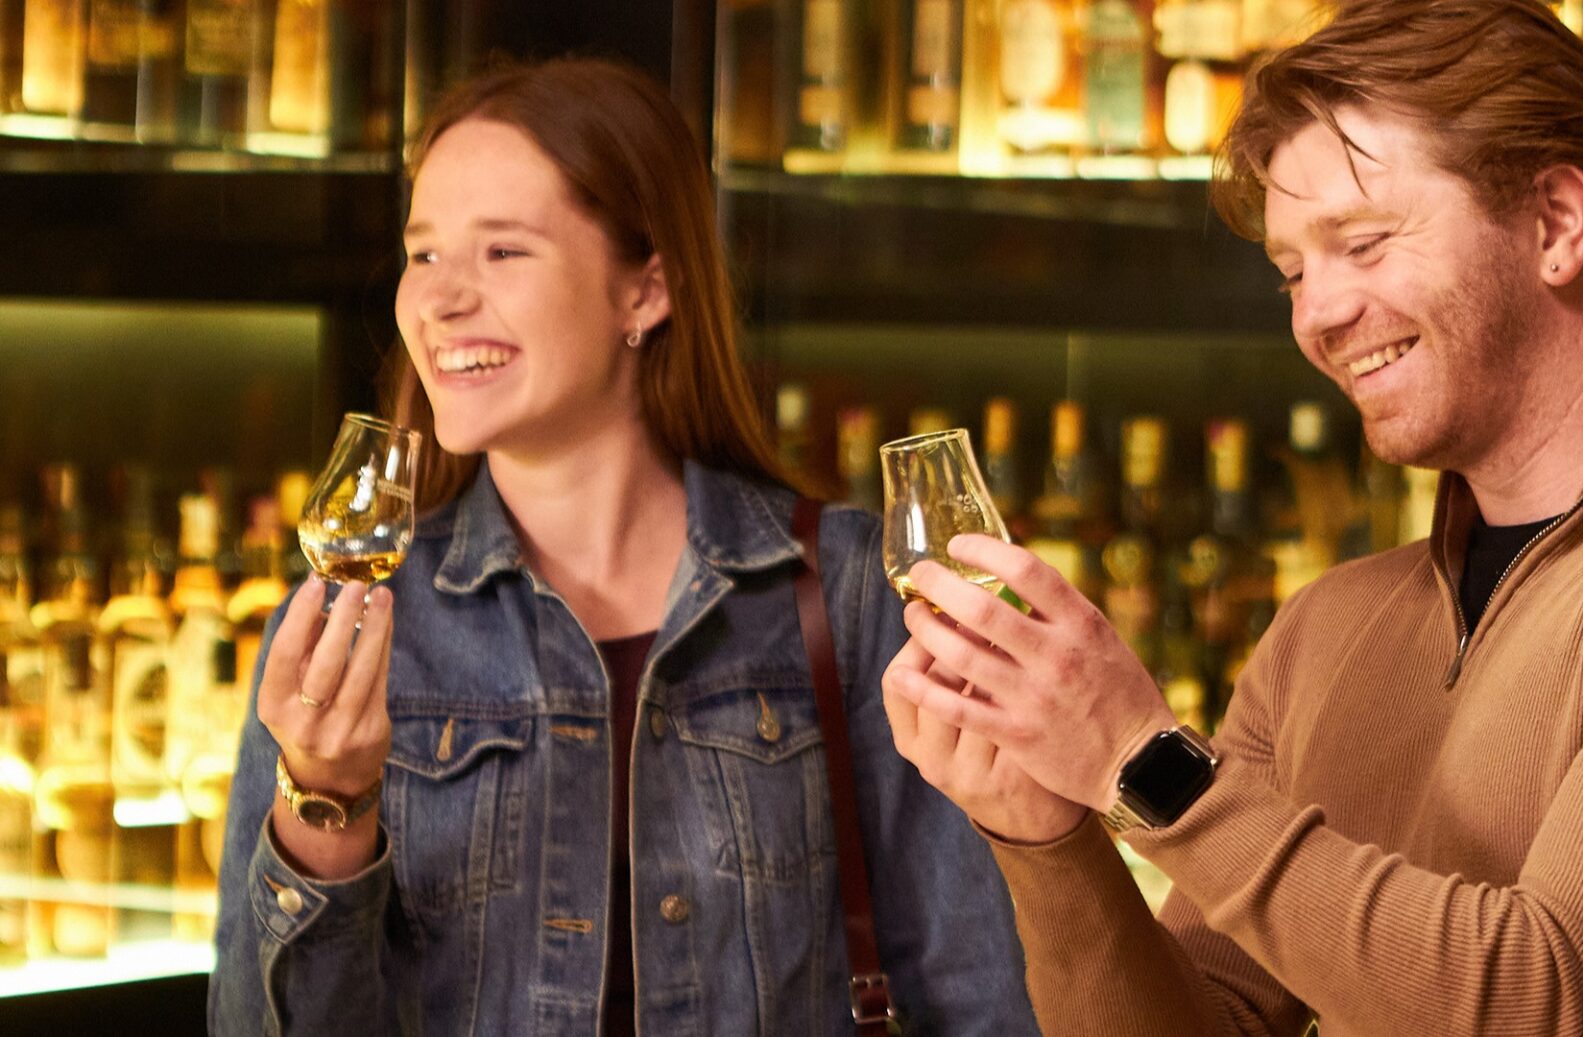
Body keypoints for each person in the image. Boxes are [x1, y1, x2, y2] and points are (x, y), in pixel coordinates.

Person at [880, 1, 1583, 1034]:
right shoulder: (1329, 627)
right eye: (1293, 271)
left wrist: (1144, 762)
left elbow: (1550, 1005)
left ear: (1556, 222)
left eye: (1364, 243)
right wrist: (1047, 833)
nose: (1317, 316)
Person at [209, 58, 1037, 1036]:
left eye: (503, 252)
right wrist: (325, 802)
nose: (438, 301)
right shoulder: (365, 623)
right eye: (423, 254)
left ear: (647, 288)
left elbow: (985, 998)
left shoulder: (850, 589)